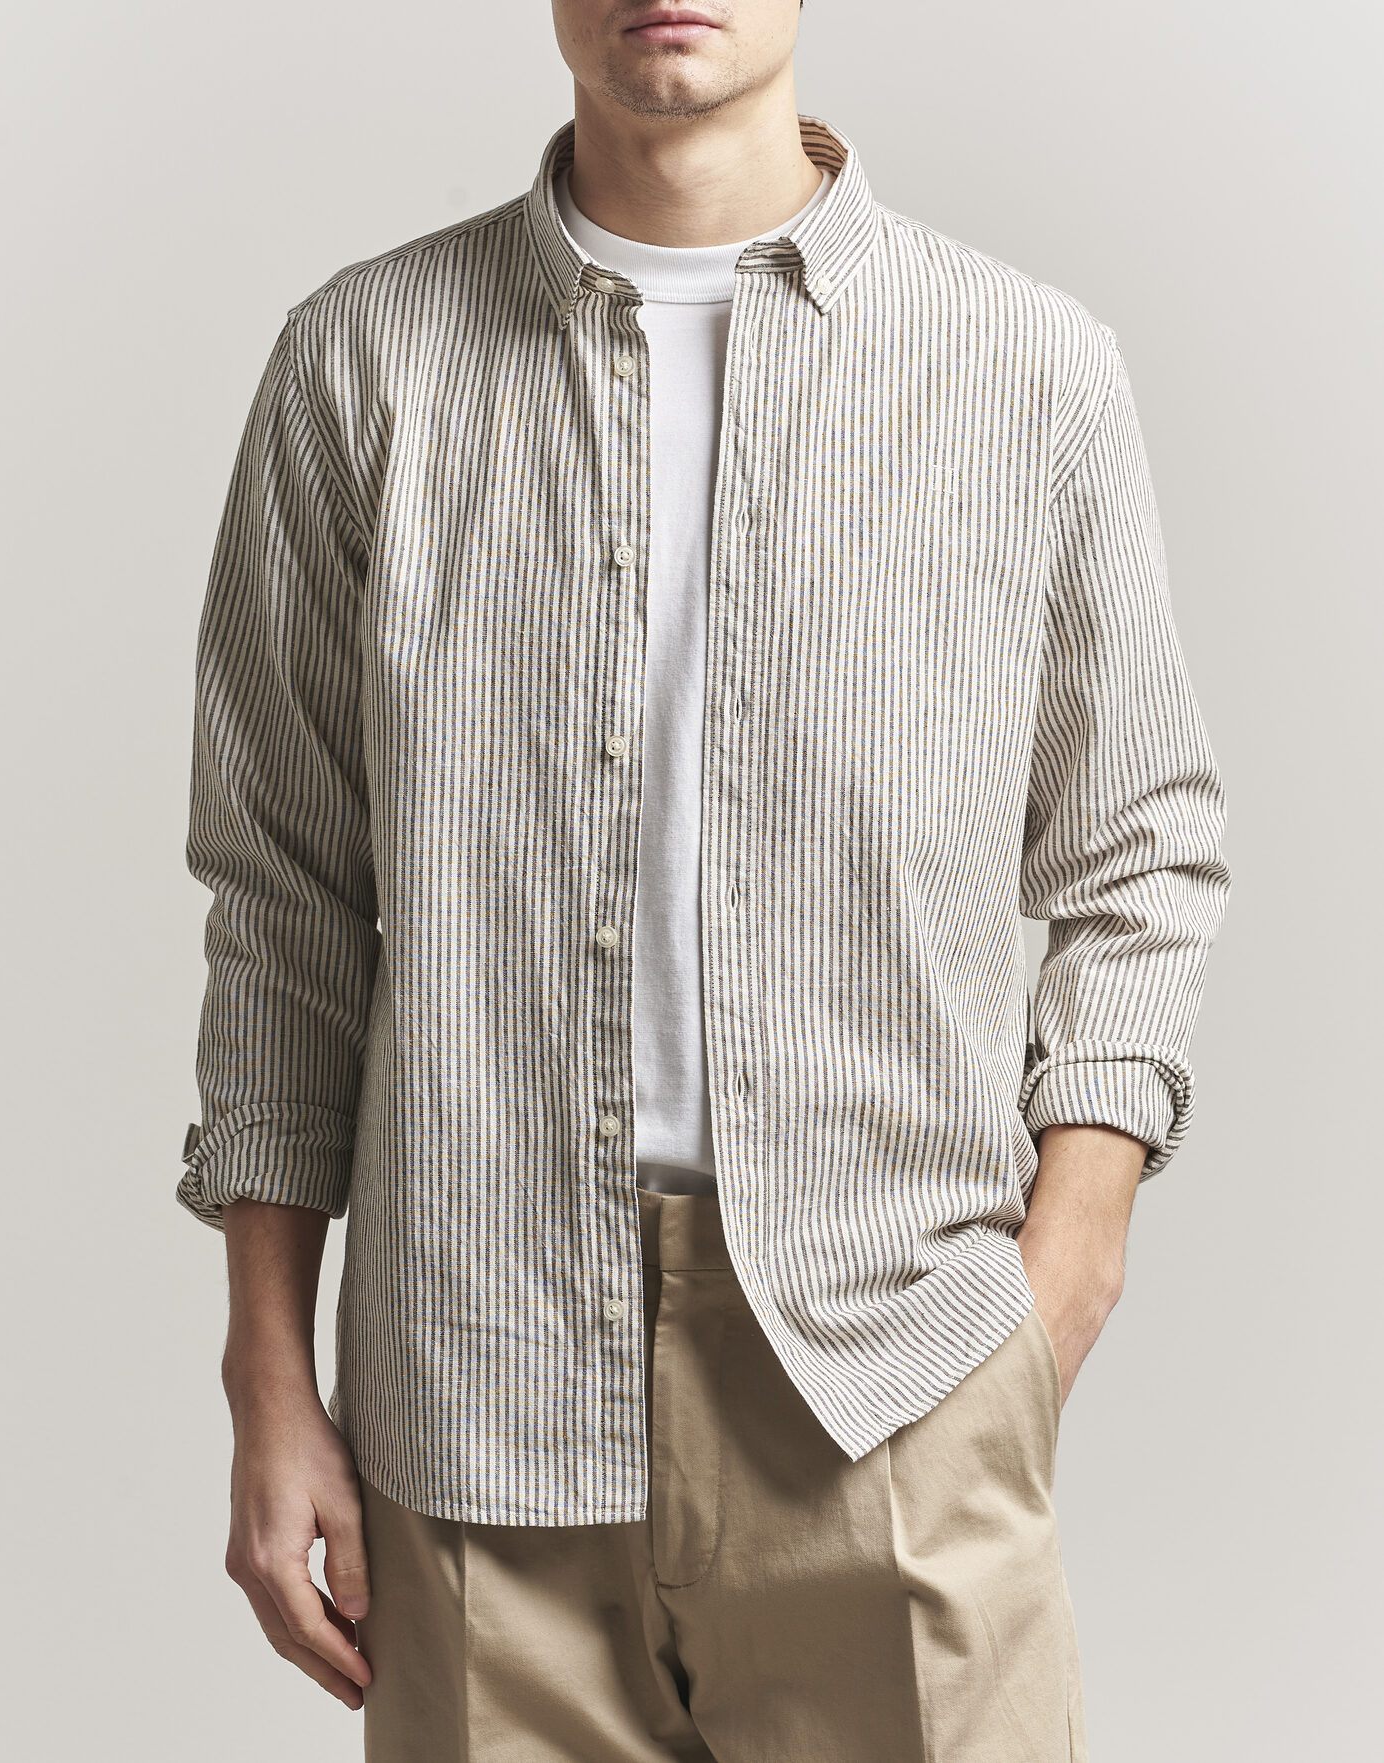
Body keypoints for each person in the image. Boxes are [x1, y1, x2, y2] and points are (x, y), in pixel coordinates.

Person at [175, 2, 1231, 1757]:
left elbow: (1140, 843)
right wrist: (266, 1379)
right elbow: (283, 897)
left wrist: (1062, 1276)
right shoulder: (361, 365)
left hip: (892, 1375)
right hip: (477, 1381)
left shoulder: (1026, 366)